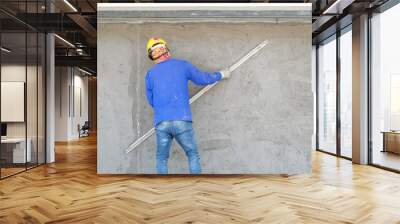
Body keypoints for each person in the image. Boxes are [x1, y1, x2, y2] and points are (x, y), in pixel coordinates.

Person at [144, 37, 230, 174]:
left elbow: (151, 100)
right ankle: (196, 187)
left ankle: (162, 190)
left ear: (152, 56)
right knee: (192, 154)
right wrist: (221, 74)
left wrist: (164, 109)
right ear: (167, 50)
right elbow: (203, 79)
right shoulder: (182, 65)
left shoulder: (150, 74)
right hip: (182, 119)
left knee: (161, 158)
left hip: (161, 122)